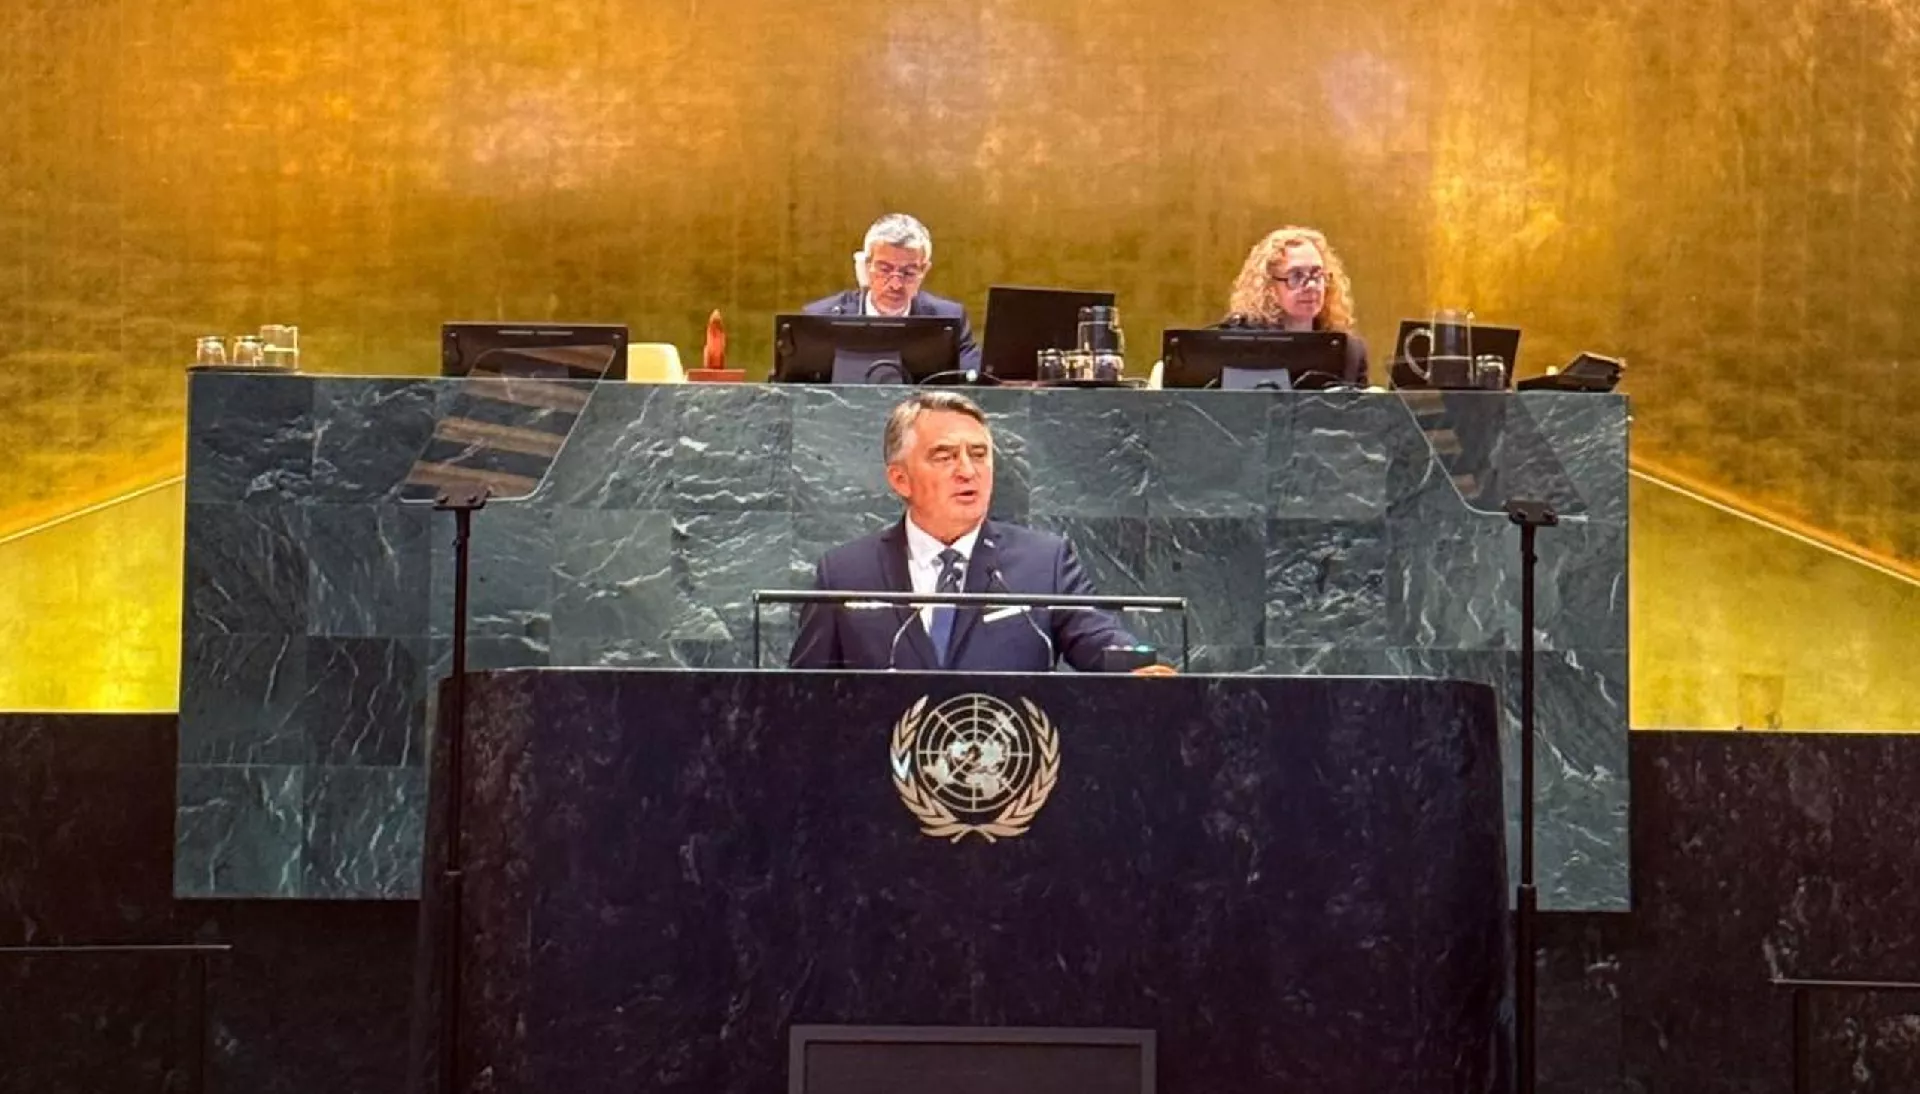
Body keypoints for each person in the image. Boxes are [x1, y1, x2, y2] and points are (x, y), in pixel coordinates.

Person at [789, 391, 1167, 673]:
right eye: (945, 456)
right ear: (900, 479)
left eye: (979, 454)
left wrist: (1137, 667)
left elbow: (1101, 640)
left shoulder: (1043, 563)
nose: (968, 471)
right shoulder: (846, 573)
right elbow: (801, 697)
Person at [803, 213, 982, 373]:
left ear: (924, 270)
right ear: (866, 266)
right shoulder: (820, 319)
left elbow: (974, 384)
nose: (896, 285)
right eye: (885, 270)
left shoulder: (948, 319)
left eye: (908, 273)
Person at [1222, 225, 1369, 386]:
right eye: (1296, 276)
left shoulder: (1349, 352)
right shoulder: (1237, 344)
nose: (1311, 285)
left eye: (1317, 274)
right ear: (1268, 286)